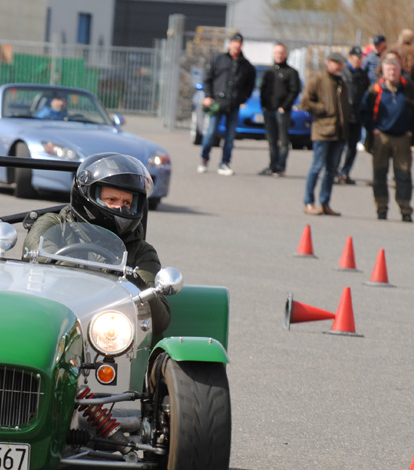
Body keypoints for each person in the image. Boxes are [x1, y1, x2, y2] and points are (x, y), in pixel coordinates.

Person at [23, 153, 170, 332]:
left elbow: (160, 321)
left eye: (127, 202)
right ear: (88, 196)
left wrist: (135, 283)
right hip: (53, 319)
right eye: (111, 200)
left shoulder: (142, 251)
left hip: (111, 332)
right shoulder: (53, 225)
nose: (121, 208)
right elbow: (38, 266)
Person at [360, 56, 414, 222]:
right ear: (383, 71)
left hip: (402, 137)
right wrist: (372, 128)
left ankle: (405, 209)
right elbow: (364, 110)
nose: (392, 73)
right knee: (379, 174)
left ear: (399, 71)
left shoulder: (408, 89)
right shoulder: (375, 89)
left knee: (403, 175)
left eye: (394, 70)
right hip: (381, 136)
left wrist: (412, 130)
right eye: (388, 70)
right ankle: (381, 208)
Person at [197, 32, 256, 176]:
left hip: (234, 105)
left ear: (241, 46)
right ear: (230, 44)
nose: (236, 46)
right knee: (211, 133)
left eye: (239, 44)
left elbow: (250, 86)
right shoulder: (218, 59)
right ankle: (204, 159)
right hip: (217, 103)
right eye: (234, 43)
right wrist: (208, 96)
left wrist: (242, 99)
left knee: (229, 137)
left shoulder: (246, 65)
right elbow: (207, 79)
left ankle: (225, 163)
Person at [300, 52, 350, 216]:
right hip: (323, 131)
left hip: (339, 132)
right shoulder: (318, 80)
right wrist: (323, 109)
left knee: (331, 170)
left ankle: (325, 203)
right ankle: (308, 202)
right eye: (336, 63)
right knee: (317, 167)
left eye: (341, 63)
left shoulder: (341, 82)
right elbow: (305, 102)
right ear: (328, 63)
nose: (339, 66)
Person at [259, 42, 301, 177]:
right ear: (273, 54)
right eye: (277, 52)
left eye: (281, 53)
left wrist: (284, 106)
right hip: (269, 110)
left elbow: (294, 91)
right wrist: (263, 105)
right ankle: (272, 165)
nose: (279, 55)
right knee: (272, 140)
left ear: (286, 54)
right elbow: (263, 89)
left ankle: (280, 167)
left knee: (283, 141)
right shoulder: (269, 72)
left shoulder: (291, 72)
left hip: (282, 112)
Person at [335, 46, 370, 185]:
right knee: (339, 146)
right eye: (356, 58)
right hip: (344, 116)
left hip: (357, 115)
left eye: (360, 58)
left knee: (352, 147)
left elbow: (366, 93)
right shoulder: (342, 73)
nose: (359, 61)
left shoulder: (362, 75)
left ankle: (345, 172)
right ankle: (335, 172)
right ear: (350, 57)